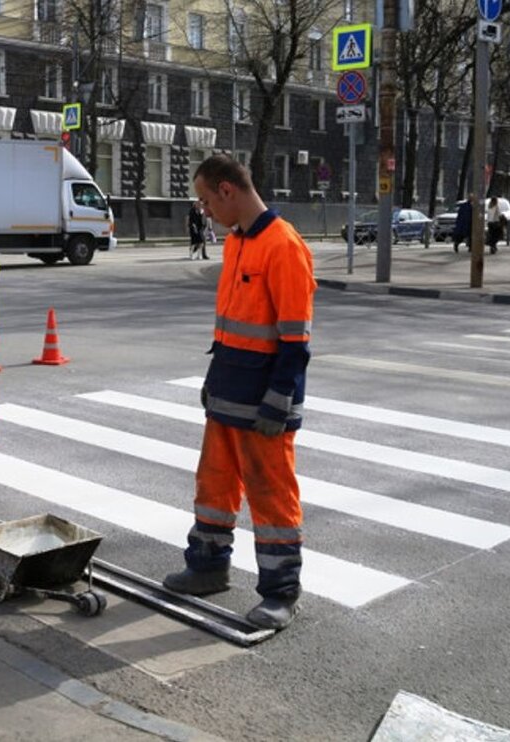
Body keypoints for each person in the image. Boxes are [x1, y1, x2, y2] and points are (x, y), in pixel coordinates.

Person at [163, 154, 316, 631]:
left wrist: (278, 398)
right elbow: (231, 327)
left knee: (271, 498)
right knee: (215, 488)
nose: (204, 210)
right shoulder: (236, 243)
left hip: (263, 405)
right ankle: (207, 568)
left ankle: (280, 593)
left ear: (228, 190)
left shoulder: (283, 246)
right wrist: (213, 382)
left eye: (207, 200)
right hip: (228, 394)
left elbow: (295, 340)